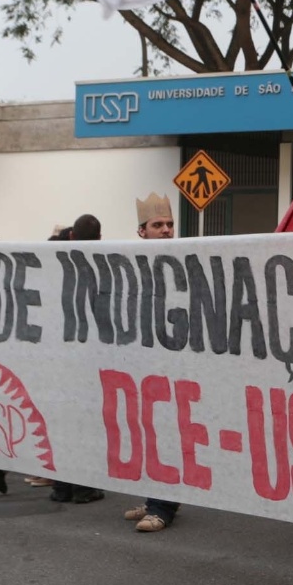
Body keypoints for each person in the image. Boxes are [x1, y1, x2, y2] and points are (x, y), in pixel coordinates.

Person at [123, 194, 182, 533]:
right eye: (158, 225)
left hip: (171, 364)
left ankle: (163, 508)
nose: (166, 230)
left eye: (169, 224)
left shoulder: (184, 259)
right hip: (142, 362)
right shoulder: (131, 261)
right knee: (145, 431)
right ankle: (153, 499)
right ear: (142, 231)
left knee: (165, 431)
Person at [48, 213, 106, 506]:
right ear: (99, 239)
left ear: (72, 236)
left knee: (62, 425)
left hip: (60, 358)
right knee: (84, 425)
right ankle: (83, 488)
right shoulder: (103, 264)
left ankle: (61, 488)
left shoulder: (53, 260)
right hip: (87, 359)